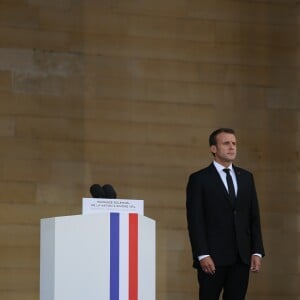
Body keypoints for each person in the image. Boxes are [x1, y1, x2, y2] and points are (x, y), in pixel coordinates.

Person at [186, 128, 265, 300]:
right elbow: (195, 220)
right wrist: (202, 254)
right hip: (212, 259)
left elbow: (254, 217)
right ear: (213, 149)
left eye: (234, 143)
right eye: (226, 143)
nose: (232, 147)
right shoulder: (199, 179)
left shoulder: (246, 177)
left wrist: (257, 251)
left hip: (241, 258)